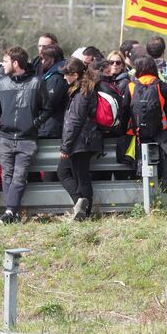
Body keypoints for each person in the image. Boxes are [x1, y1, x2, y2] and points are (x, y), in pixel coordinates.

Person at [0, 46, 53, 224]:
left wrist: (33, 124)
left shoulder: (36, 82)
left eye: (5, 61)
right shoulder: (2, 83)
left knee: (19, 176)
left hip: (27, 139)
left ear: (16, 63)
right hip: (4, 137)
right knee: (7, 175)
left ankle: (10, 212)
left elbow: (47, 109)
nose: (3, 65)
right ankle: (12, 213)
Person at [58, 58, 103, 220]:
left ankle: (84, 211)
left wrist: (66, 147)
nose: (64, 78)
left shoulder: (81, 92)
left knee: (71, 174)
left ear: (75, 75)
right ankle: (81, 206)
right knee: (77, 175)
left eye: (66, 75)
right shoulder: (85, 89)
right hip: (85, 139)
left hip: (81, 141)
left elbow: (75, 121)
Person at [38, 45, 68, 140]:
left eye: (43, 59)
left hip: (51, 126)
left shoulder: (56, 77)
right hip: (50, 124)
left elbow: (50, 102)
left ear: (50, 59)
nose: (41, 62)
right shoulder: (54, 74)